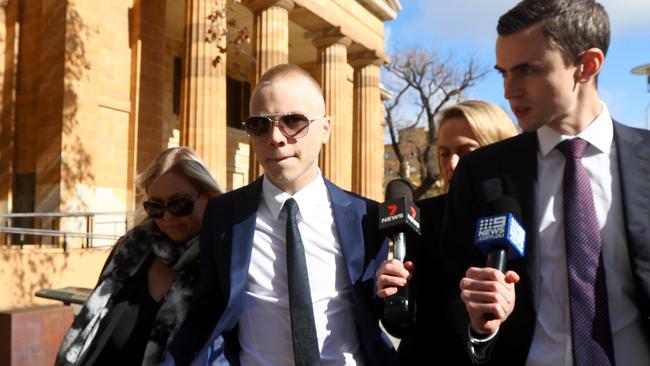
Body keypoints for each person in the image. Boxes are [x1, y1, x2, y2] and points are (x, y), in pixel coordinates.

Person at [441, 0, 650, 364]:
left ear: (587, 65)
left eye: (526, 70)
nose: (509, 90)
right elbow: (448, 289)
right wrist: (478, 324)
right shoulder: (480, 172)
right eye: (503, 72)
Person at [165, 63, 398, 366]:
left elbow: (388, 318)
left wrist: (393, 295)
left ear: (325, 128)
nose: (275, 137)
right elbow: (206, 312)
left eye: (293, 121)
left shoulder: (366, 216)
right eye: (260, 124)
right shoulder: (224, 215)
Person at [376, 100, 518, 365]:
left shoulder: (524, 214)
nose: (452, 164)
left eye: (466, 152)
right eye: (444, 153)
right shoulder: (421, 216)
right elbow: (402, 327)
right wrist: (391, 294)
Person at [55, 147, 223, 366]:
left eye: (180, 203)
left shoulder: (224, 261)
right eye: (156, 206)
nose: (167, 217)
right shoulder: (131, 250)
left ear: (209, 196)